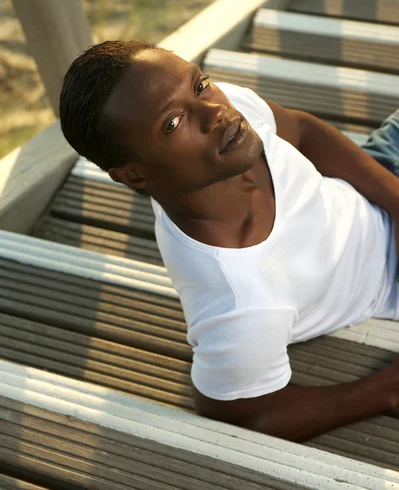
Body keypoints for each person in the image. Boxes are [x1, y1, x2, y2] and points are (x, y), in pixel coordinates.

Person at [59, 39, 399, 442]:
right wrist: (384, 391)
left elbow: (303, 131)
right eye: (172, 123)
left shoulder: (226, 123)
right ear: (134, 175)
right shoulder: (240, 303)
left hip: (377, 171)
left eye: (199, 84)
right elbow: (245, 414)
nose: (215, 110)